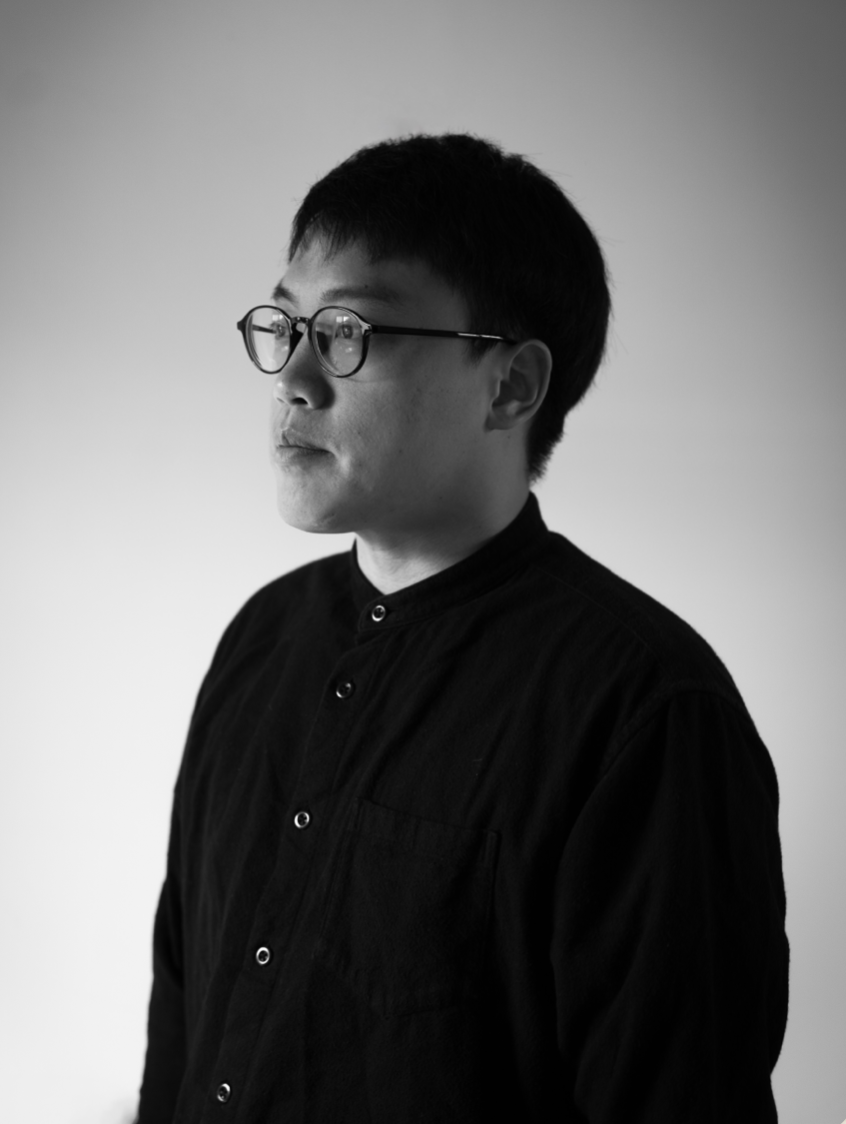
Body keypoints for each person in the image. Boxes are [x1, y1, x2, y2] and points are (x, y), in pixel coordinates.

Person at [137, 133, 789, 1123]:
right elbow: (184, 1015)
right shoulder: (262, 639)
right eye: (289, 322)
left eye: (352, 329)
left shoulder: (642, 710)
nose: (296, 377)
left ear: (511, 385)